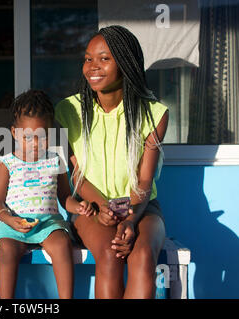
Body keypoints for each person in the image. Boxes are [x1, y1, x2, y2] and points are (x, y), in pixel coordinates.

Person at [54, 25, 169, 299]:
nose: (93, 66)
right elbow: (76, 174)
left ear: (126, 62)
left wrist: (130, 219)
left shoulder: (154, 114)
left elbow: (144, 180)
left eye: (104, 58)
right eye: (88, 58)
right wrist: (104, 207)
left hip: (142, 207)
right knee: (110, 254)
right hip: (91, 207)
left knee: (142, 257)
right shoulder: (68, 111)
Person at [0, 89, 95, 299]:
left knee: (62, 244)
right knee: (7, 250)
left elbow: (65, 197)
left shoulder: (55, 161)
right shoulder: (7, 164)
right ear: (14, 133)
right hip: (13, 225)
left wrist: (79, 206)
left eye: (43, 136)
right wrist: (9, 219)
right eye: (28, 137)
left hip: (48, 224)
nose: (36, 143)